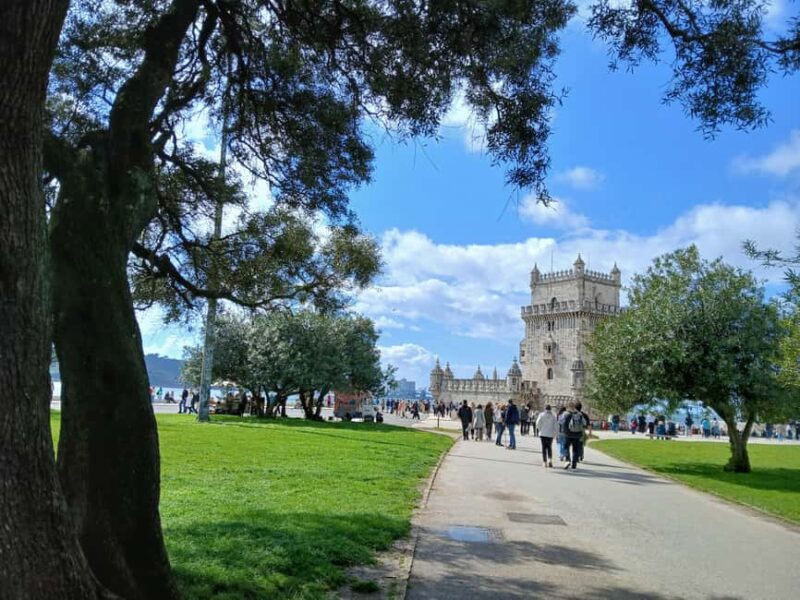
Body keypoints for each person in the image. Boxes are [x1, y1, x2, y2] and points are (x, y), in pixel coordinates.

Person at [563, 402, 588, 470]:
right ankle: (574, 464)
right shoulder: (580, 414)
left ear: (568, 407)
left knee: (566, 447)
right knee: (575, 449)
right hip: (577, 434)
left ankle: (567, 460)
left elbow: (561, 422)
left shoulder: (566, 414)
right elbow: (585, 423)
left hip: (568, 434)